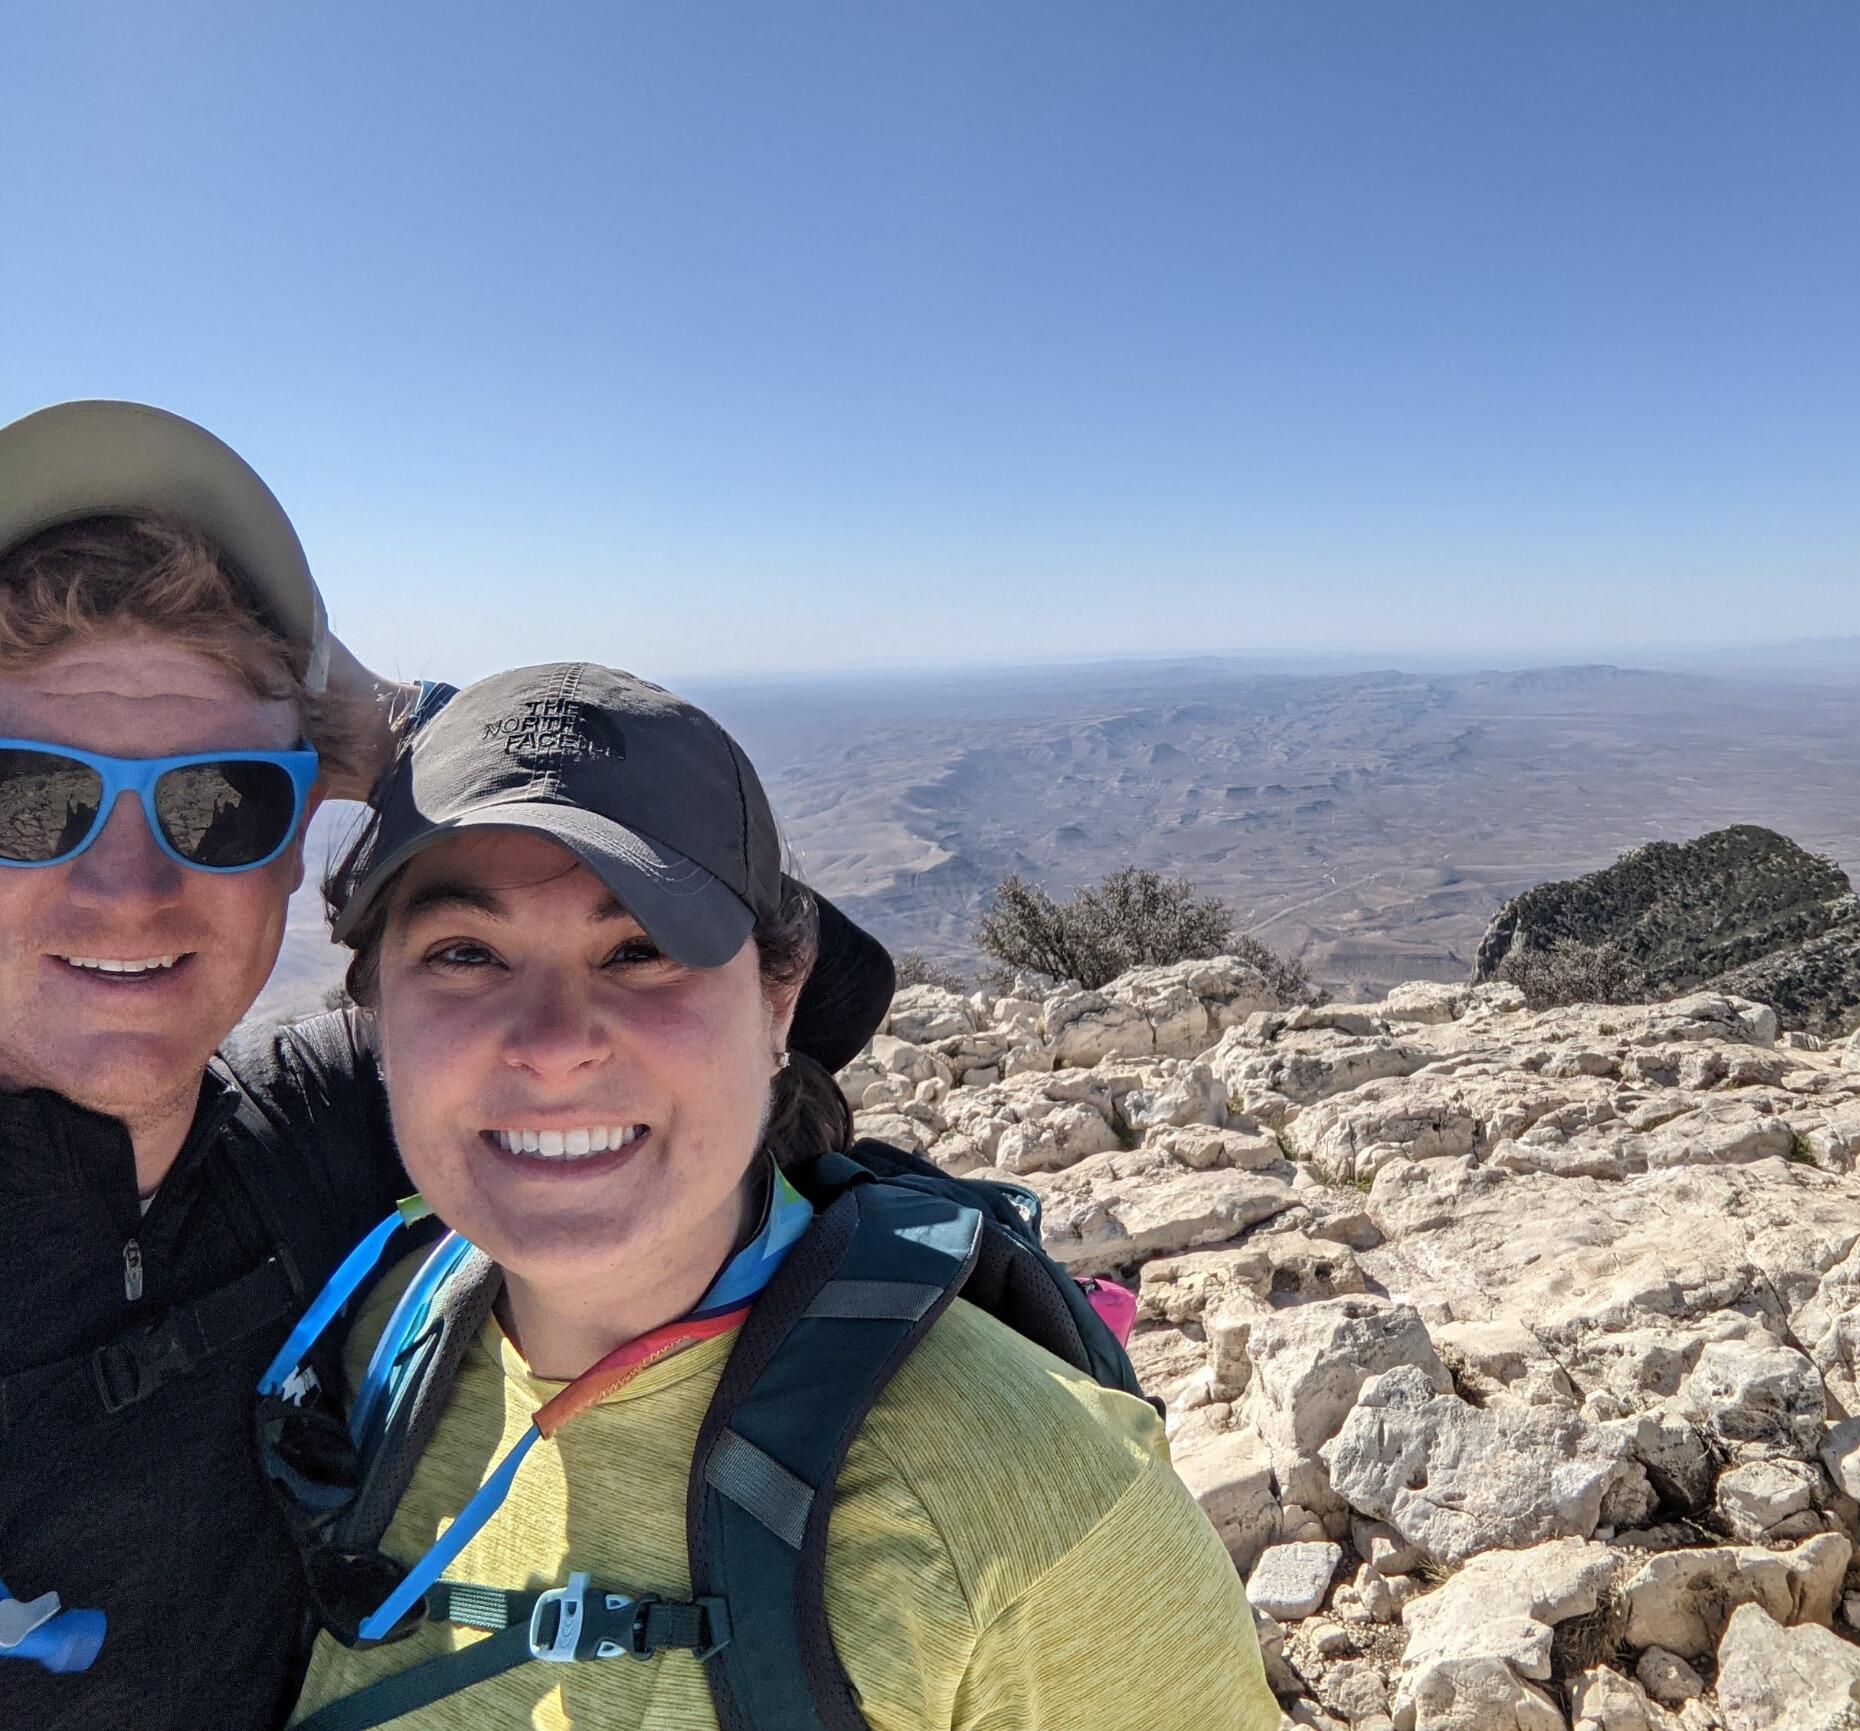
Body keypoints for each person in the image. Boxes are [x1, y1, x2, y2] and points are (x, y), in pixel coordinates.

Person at [0, 401, 894, 1731]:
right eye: (31, 795)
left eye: (219, 800)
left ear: (304, 829)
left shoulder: (313, 1134)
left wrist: (400, 736)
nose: (128, 890)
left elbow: (794, 1001)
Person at [275, 662, 1276, 1731]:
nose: (555, 1045)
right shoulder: (365, 1338)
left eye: (641, 950)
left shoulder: (1036, 1516)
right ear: (378, 1011)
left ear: (778, 999)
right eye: (465, 953)